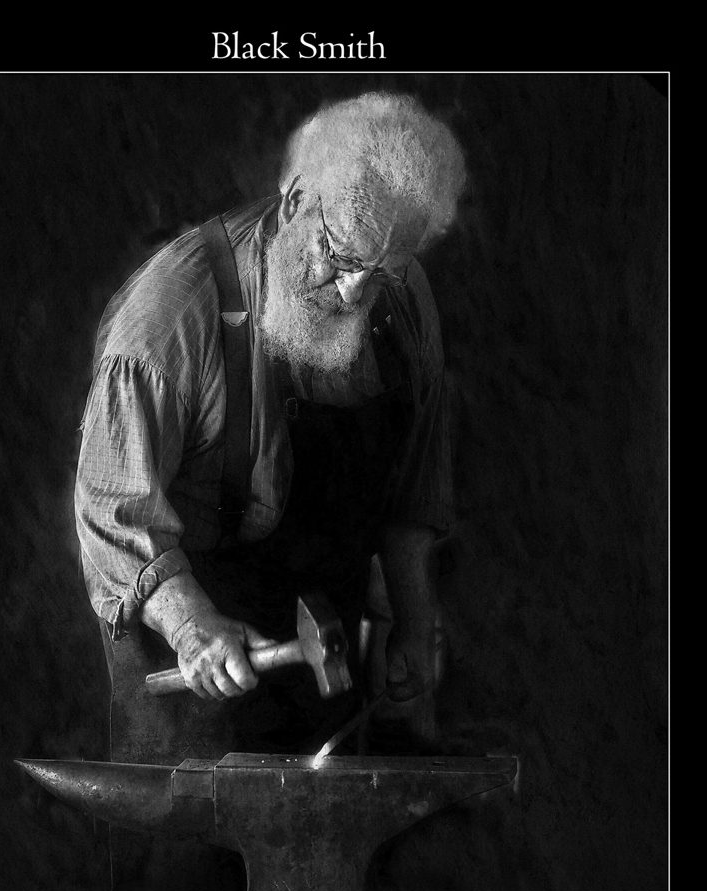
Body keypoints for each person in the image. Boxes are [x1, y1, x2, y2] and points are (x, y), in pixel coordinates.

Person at [75, 92, 467, 765]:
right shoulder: (171, 319)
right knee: (194, 861)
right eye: (342, 260)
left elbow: (411, 488)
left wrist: (410, 618)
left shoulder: (401, 304)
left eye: (382, 273)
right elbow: (112, 509)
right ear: (295, 205)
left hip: (326, 669)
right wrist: (190, 624)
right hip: (191, 659)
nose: (353, 294)